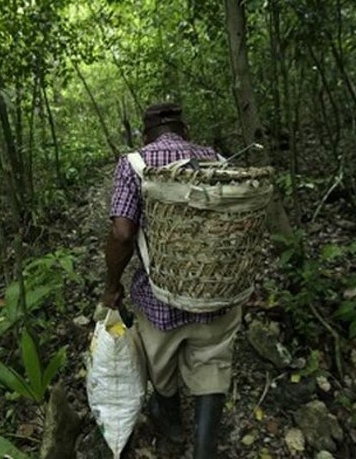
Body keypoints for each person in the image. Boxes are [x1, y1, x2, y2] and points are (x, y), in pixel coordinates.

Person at [102, 102, 242, 458]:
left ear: (145, 135)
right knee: (212, 364)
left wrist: (112, 286)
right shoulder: (217, 160)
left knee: (160, 369)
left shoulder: (134, 164)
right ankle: (204, 450)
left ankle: (173, 426)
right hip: (216, 292)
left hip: (160, 300)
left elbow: (122, 234)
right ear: (186, 130)